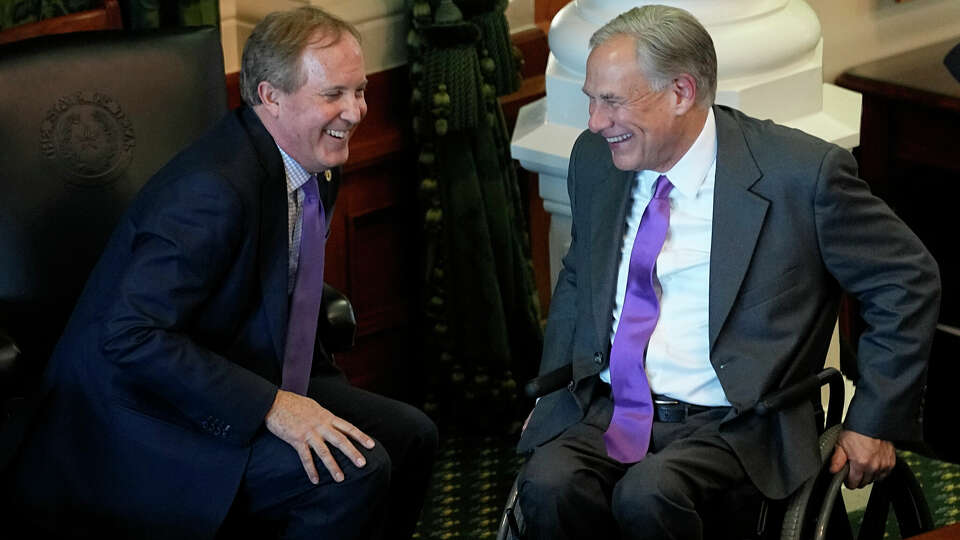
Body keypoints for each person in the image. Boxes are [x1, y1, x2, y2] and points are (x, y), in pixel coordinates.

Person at [6, 7, 437, 539]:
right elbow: (130, 334)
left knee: (411, 437)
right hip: (141, 417)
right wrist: (273, 406)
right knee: (349, 475)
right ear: (270, 96)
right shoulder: (210, 192)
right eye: (333, 95)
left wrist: (287, 397)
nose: (355, 111)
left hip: (248, 367)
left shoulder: (314, 158)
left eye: (360, 90)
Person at [516, 5, 940, 539]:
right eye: (591, 100)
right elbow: (579, 278)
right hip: (611, 407)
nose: (595, 122)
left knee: (649, 495)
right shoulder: (595, 160)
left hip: (736, 424)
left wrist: (873, 419)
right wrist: (551, 399)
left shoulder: (800, 176)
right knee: (548, 483)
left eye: (612, 102)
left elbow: (905, 280)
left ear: (681, 93)